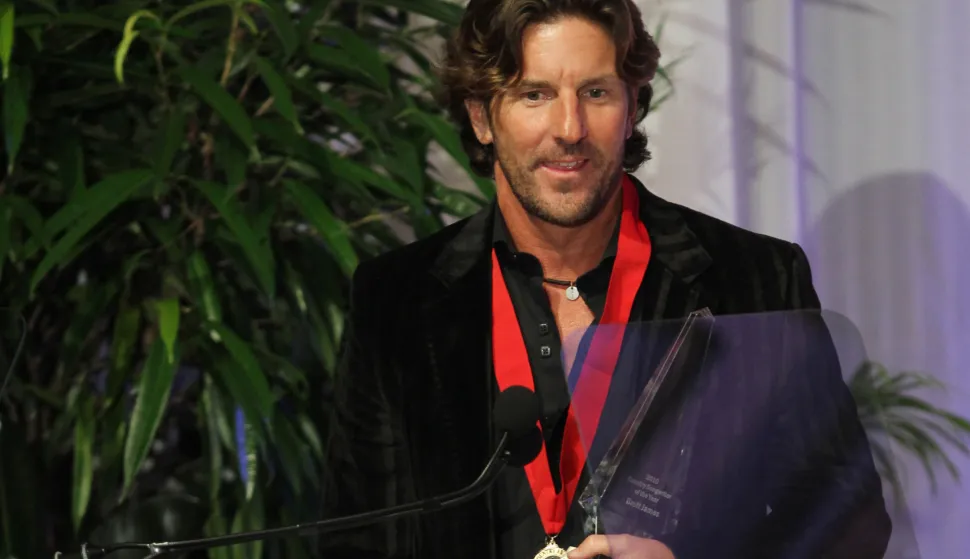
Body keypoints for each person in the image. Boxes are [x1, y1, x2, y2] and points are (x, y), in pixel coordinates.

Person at [323, 0, 892, 558]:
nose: (569, 128)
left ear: (633, 105)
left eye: (595, 93)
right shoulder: (394, 299)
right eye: (534, 94)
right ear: (481, 117)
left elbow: (848, 522)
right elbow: (358, 540)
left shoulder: (755, 280)